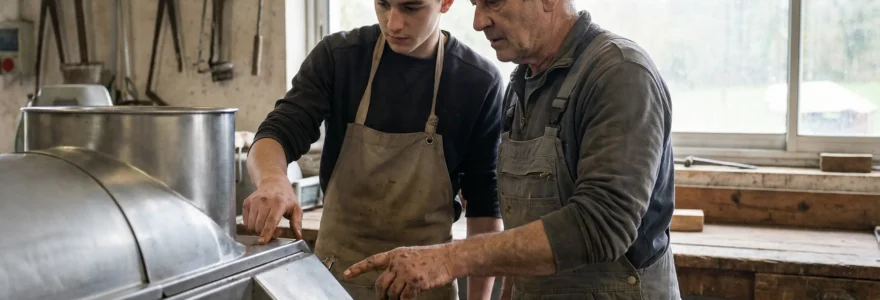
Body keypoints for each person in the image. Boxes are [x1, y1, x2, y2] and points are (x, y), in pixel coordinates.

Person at [343, 0, 681, 299]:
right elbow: (523, 226)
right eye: (475, 4)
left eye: (493, 2)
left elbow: (602, 224)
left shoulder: (619, 74)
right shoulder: (521, 85)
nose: (478, 21)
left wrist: (448, 259)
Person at [240, 0, 506, 299]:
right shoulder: (339, 59)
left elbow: (484, 205)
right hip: (335, 283)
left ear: (445, 3)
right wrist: (272, 179)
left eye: (411, 8)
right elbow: (277, 132)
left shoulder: (477, 81)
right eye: (383, 4)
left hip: (425, 288)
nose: (393, 23)